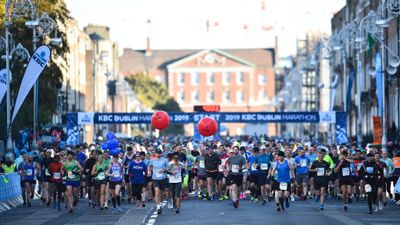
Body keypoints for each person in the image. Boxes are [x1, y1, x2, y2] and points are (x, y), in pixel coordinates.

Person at [148, 149, 169, 214]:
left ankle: (161, 203)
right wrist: (149, 171)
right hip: (155, 178)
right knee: (157, 193)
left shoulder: (164, 160)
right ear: (155, 153)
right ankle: (158, 207)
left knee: (162, 194)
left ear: (161, 153)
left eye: (159, 153)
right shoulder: (152, 160)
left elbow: (168, 167)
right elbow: (149, 166)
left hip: (163, 178)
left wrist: (164, 170)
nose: (158, 154)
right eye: (157, 153)